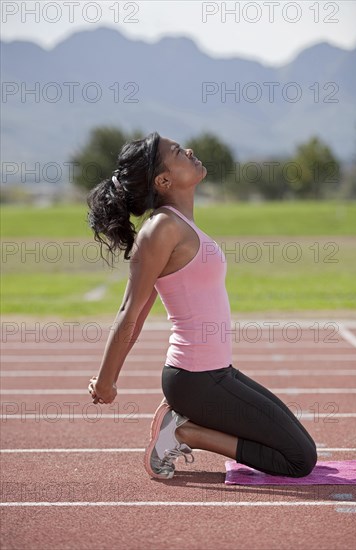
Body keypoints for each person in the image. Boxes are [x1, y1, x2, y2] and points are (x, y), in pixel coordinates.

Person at [87, 131, 317, 480]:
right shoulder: (161, 229)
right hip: (196, 380)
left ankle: (182, 426)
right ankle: (184, 432)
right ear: (164, 180)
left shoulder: (182, 226)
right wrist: (107, 382)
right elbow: (131, 313)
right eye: (178, 152)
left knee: (297, 444)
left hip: (217, 373)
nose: (189, 150)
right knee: (299, 460)